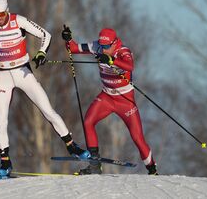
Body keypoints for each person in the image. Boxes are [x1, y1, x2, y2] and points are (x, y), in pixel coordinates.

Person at [0, 0, 90, 178]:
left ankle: (72, 146)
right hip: (2, 76)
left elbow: (46, 35)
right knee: (1, 121)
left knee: (48, 111)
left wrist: (42, 52)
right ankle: (5, 162)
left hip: (23, 73)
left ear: (7, 11)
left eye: (2, 14)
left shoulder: (18, 21)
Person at [62, 25, 158, 175]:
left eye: (106, 46)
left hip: (125, 100)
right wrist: (68, 39)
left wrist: (112, 60)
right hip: (107, 97)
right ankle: (94, 164)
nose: (103, 49)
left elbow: (130, 66)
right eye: (102, 46)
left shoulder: (123, 51)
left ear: (114, 43)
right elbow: (73, 48)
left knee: (137, 138)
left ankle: (152, 168)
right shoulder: (97, 46)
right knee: (88, 121)